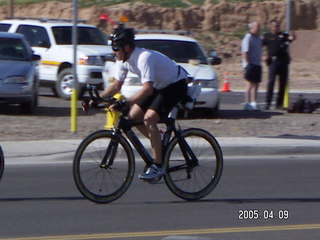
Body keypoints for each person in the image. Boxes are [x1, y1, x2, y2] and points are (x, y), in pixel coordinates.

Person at [100, 28, 188, 180]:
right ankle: (159, 145)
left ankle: (158, 165)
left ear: (126, 47)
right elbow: (116, 86)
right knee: (133, 116)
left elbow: (147, 89)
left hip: (176, 84)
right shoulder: (122, 60)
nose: (113, 51)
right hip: (160, 86)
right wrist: (97, 99)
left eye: (115, 47)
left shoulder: (143, 58)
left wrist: (126, 102)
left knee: (149, 118)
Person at [263, 19, 296, 110]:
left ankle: (279, 103)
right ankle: (268, 102)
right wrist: (264, 55)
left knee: (282, 83)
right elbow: (262, 46)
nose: (276, 28)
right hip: (273, 61)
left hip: (283, 61)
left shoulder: (283, 35)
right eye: (274, 26)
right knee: (271, 82)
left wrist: (293, 35)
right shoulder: (267, 36)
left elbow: (291, 39)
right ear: (271, 27)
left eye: (277, 26)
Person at [241, 21, 263, 110]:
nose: (258, 29)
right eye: (257, 27)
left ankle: (254, 102)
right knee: (249, 84)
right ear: (252, 28)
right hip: (250, 64)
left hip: (257, 63)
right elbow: (245, 52)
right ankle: (247, 103)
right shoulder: (248, 37)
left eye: (259, 27)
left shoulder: (258, 38)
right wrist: (248, 64)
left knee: (256, 84)